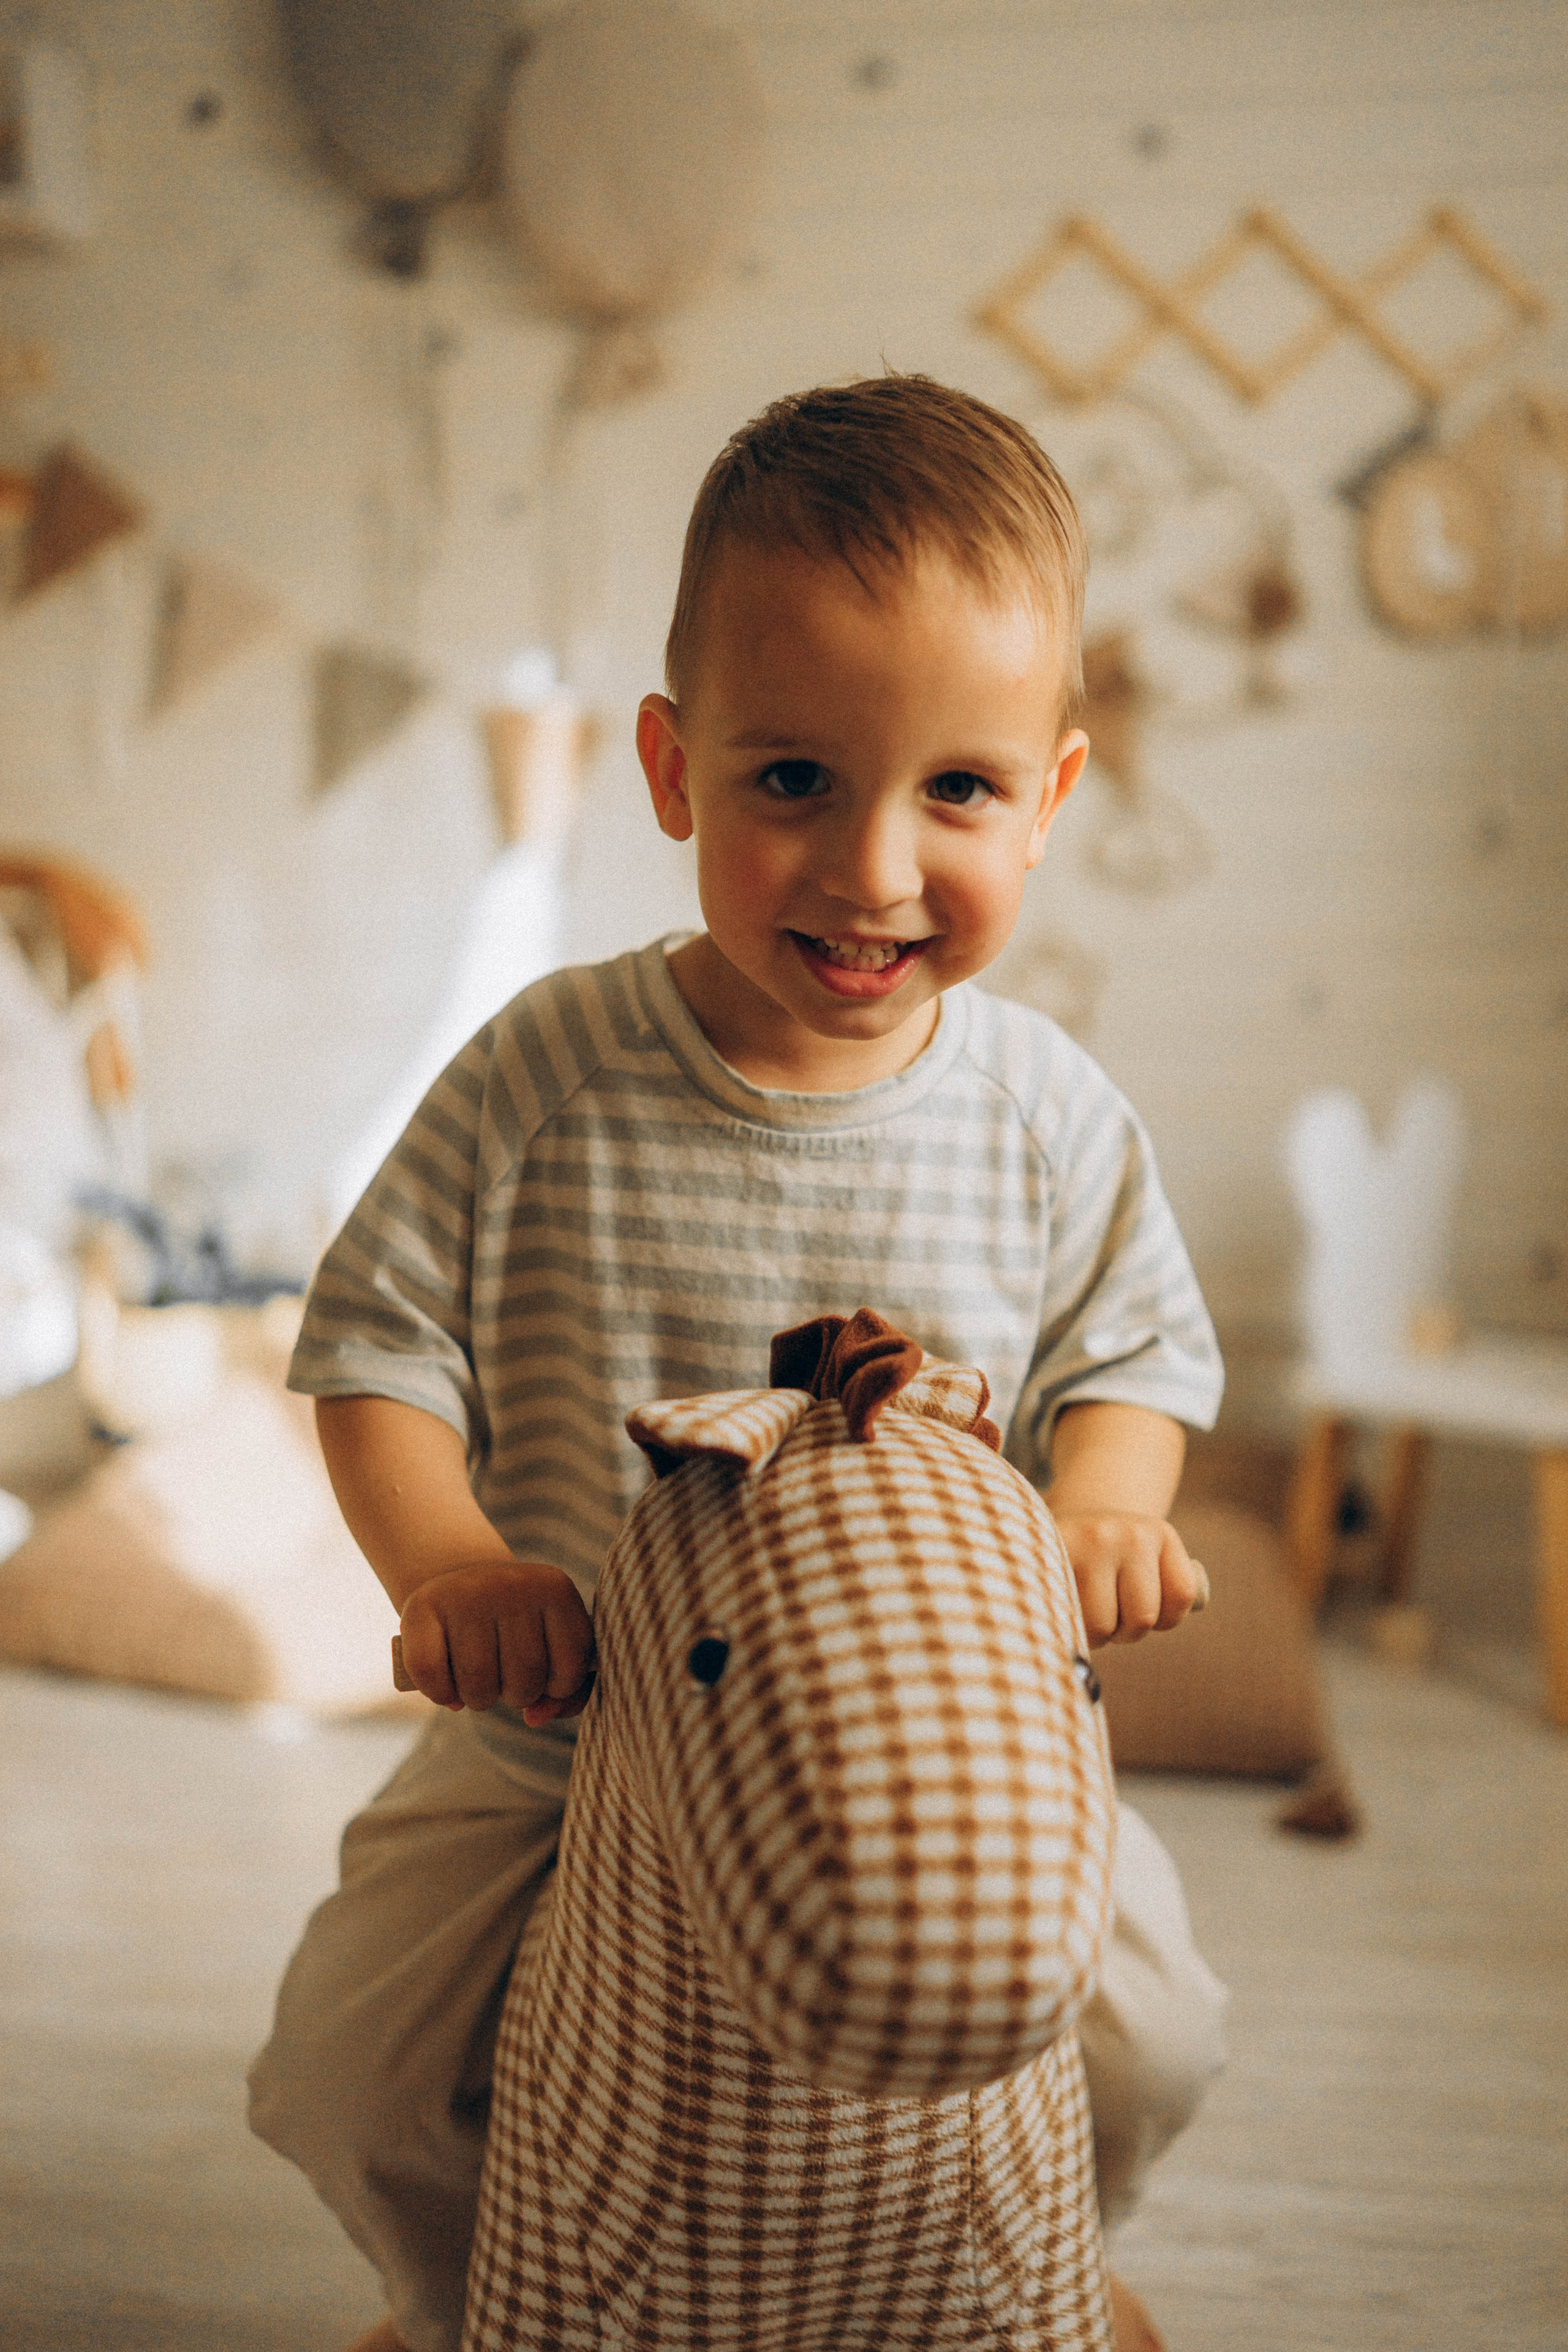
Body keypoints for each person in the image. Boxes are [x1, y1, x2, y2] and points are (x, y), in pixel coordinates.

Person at [249, 374, 1228, 2352]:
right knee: (350, 2065)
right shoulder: (548, 1071)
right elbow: (375, 1347)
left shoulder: (1047, 1113)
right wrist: (454, 1570)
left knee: (1151, 2030)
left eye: (957, 793)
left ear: (1051, 797)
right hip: (568, 1739)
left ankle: (1057, 2238)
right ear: (671, 766)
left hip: (939, 1749)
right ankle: (450, 2296)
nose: (873, 867)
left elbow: (1134, 1352)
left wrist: (1108, 1510)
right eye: (795, 778)